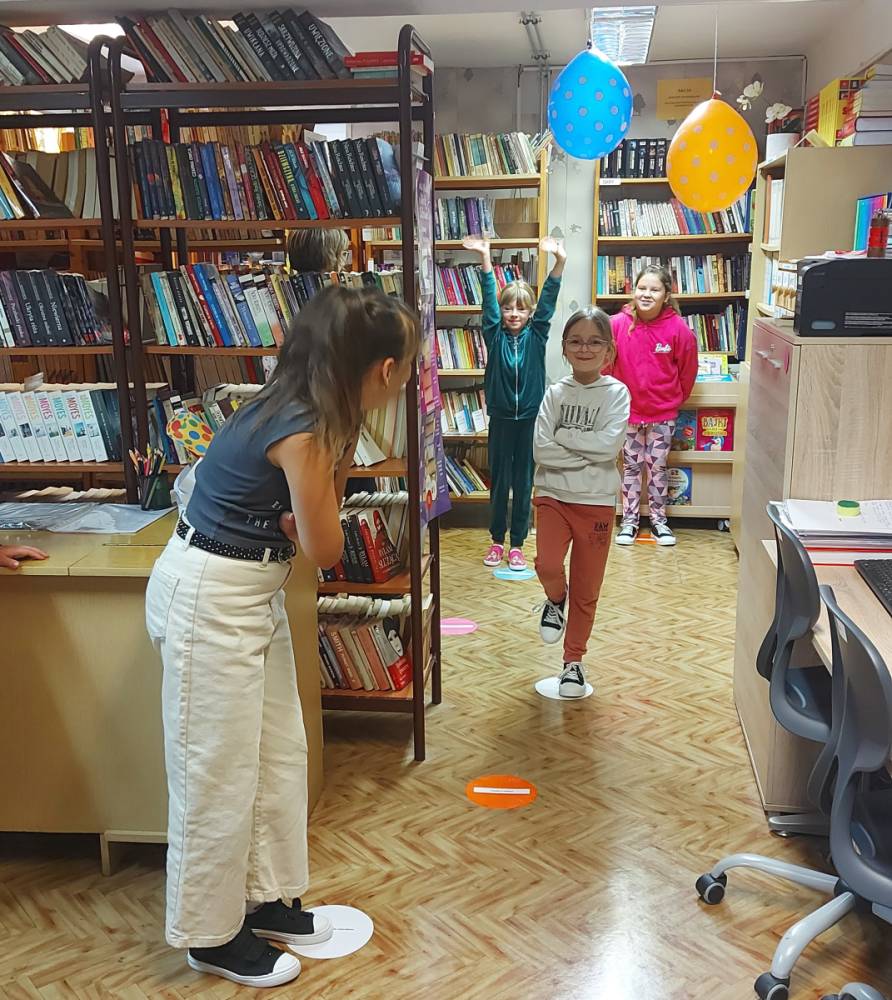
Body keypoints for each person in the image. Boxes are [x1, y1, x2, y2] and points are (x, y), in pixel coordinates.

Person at [145, 285, 419, 989]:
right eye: (407, 368)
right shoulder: (305, 429)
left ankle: (263, 898)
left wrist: (310, 517)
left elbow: (313, 528)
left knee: (275, 754)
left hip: (243, 590)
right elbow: (325, 549)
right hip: (212, 598)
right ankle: (210, 935)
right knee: (215, 771)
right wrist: (312, 520)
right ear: (385, 369)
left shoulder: (296, 406)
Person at [532, 307, 630, 698]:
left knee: (587, 588)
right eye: (576, 341)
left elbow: (609, 447)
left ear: (608, 350)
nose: (584, 349)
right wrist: (588, 453)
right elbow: (541, 449)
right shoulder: (555, 393)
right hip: (552, 494)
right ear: (564, 348)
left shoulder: (617, 393)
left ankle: (573, 662)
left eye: (594, 342)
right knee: (547, 564)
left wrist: (565, 438)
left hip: (597, 502)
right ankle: (556, 599)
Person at [462, 235, 566, 571]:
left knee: (523, 484)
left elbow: (548, 300)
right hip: (502, 419)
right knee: (500, 483)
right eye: (508, 308)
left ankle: (518, 544)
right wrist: (485, 258)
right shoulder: (494, 335)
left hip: (530, 420)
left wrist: (559, 262)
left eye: (521, 308)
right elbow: (488, 304)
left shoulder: (537, 334)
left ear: (530, 312)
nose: (513, 313)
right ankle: (497, 540)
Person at [608, 264, 697, 548]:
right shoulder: (616, 324)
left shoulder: (678, 329)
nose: (646, 294)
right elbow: (606, 364)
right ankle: (629, 521)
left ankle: (659, 521)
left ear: (666, 295)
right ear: (633, 291)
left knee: (657, 468)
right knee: (631, 468)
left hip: (662, 415)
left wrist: (673, 399)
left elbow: (688, 370)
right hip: (628, 414)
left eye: (654, 290)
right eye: (641, 288)